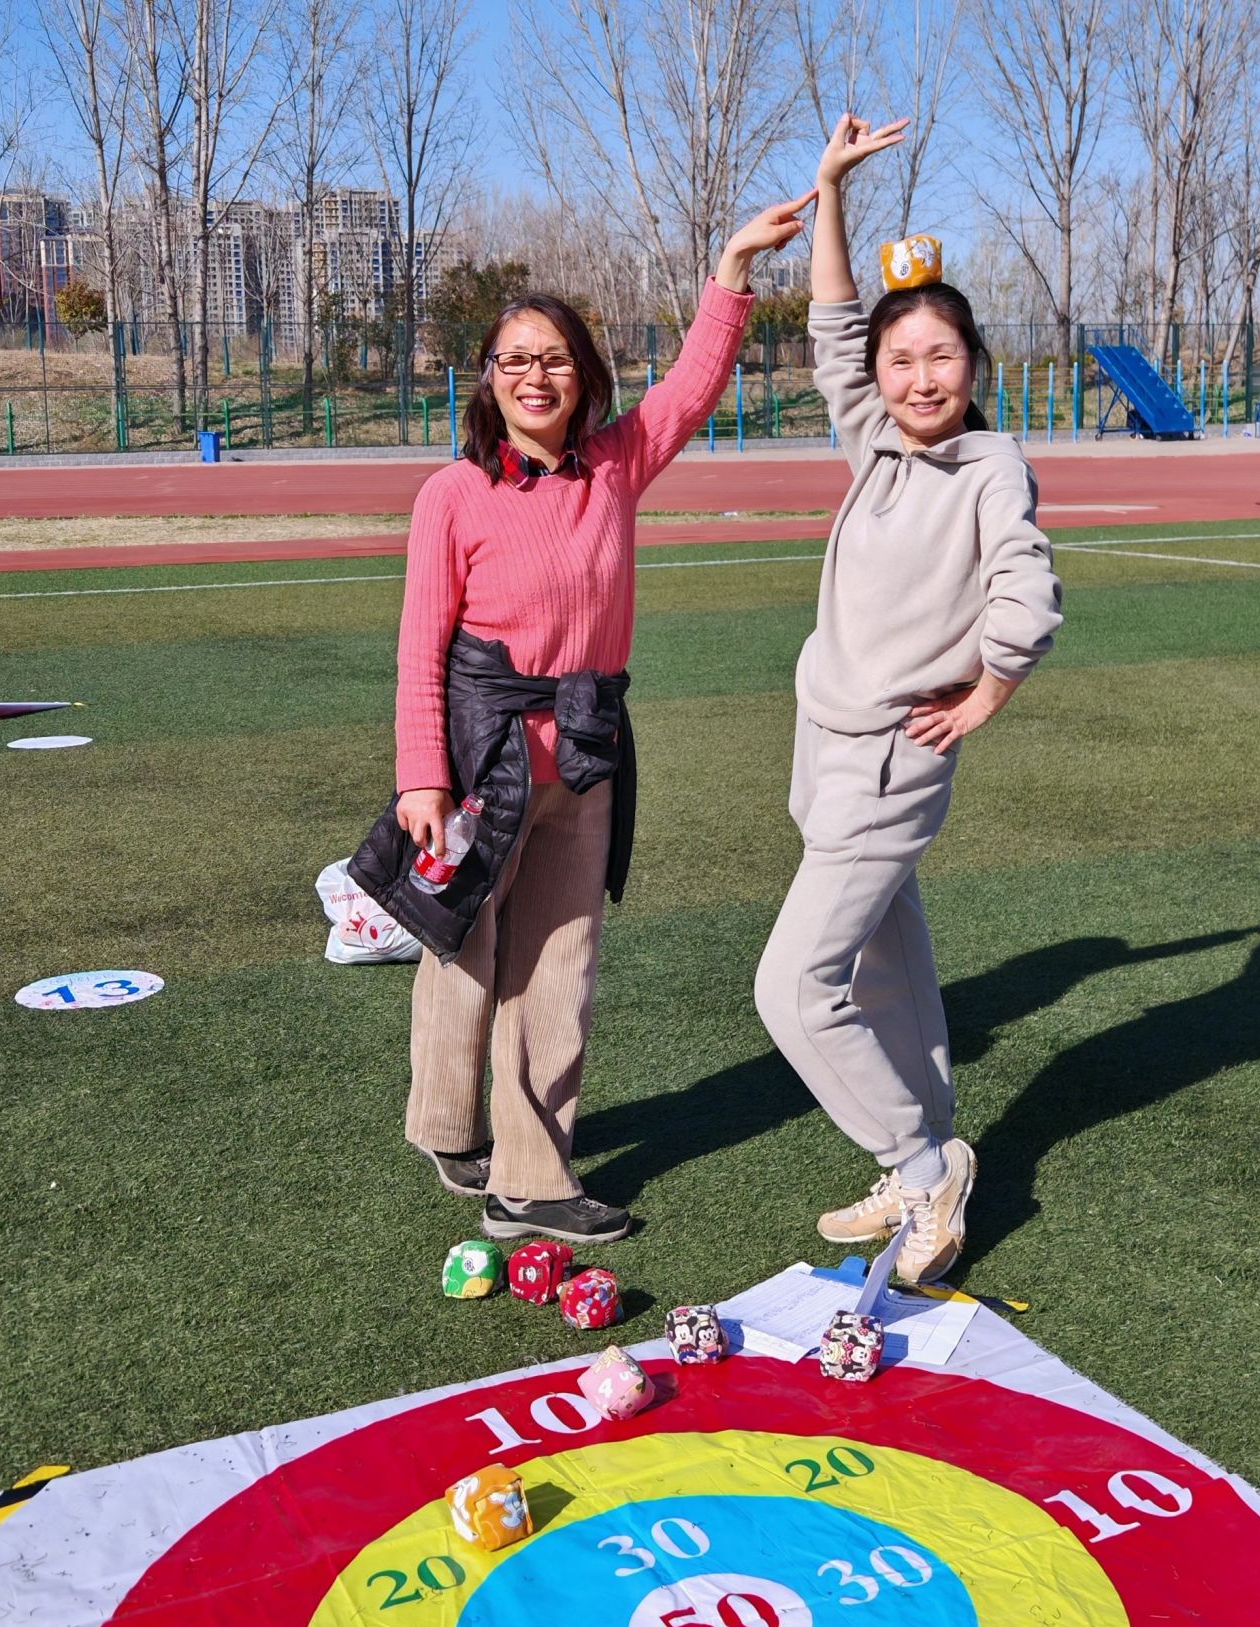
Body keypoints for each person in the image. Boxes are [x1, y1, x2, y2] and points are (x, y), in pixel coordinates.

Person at [395, 190, 812, 1246]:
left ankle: (529, 1176)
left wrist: (732, 266)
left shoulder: (615, 467)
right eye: (514, 359)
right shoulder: (453, 494)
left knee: (559, 966)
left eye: (555, 359)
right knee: (464, 953)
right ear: (487, 377)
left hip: (585, 752)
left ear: (583, 375)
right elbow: (419, 649)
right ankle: (446, 1123)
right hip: (482, 752)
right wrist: (421, 776)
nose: (534, 376)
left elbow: (693, 384)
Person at [754, 116, 1063, 1285]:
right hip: (822, 745)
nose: (918, 377)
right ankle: (922, 1143)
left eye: (940, 356)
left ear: (972, 365)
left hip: (892, 761)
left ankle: (924, 1166)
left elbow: (1026, 595)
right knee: (885, 965)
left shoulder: (988, 467)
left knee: (792, 988)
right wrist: (829, 191)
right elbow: (835, 323)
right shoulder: (873, 442)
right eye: (900, 361)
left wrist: (988, 692)